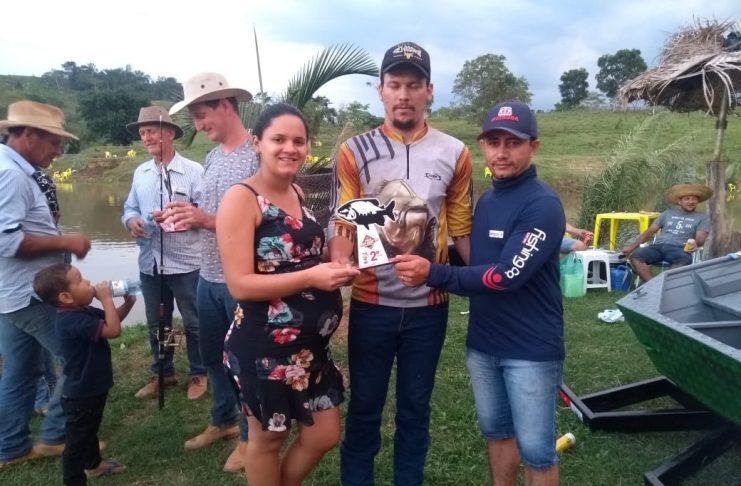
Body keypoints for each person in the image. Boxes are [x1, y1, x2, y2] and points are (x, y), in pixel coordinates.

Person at [394, 100, 565, 486]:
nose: (501, 152)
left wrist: (432, 272)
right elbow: (479, 260)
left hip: (530, 350)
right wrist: (419, 252)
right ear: (483, 146)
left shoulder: (543, 205)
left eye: (513, 143)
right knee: (497, 433)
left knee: (537, 451)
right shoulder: (488, 199)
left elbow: (505, 275)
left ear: (533, 147)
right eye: (493, 142)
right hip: (484, 345)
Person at [328, 41, 473, 485]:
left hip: (430, 308)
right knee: (365, 407)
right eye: (395, 85)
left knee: (415, 408)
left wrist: (487, 284)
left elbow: (461, 228)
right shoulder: (354, 150)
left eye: (413, 85)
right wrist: (338, 266)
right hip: (371, 305)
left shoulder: (455, 152)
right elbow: (343, 223)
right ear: (381, 91)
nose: (404, 95)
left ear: (429, 90)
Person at [216, 103, 359, 486]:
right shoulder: (241, 198)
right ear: (257, 143)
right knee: (268, 440)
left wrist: (337, 263)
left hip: (310, 351)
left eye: (299, 141)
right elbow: (240, 284)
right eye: (278, 139)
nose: (290, 148)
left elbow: (301, 257)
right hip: (264, 349)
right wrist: (313, 276)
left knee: (323, 434)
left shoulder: (296, 190)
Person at [167, 72, 258, 471]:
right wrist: (187, 217)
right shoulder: (212, 157)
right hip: (208, 273)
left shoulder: (257, 154)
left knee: (244, 360)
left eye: (202, 115)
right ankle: (223, 419)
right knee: (212, 357)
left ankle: (250, 436)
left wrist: (205, 219)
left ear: (225, 105)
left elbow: (265, 219)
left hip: (242, 277)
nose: (199, 125)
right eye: (195, 118)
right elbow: (212, 213)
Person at [0, 100, 91, 468]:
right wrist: (66, 241)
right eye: (54, 142)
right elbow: (6, 241)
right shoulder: (11, 175)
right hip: (32, 294)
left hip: (11, 295)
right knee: (80, 358)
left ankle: (10, 447)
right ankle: (55, 436)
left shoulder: (12, 168)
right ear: (28, 135)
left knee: (20, 372)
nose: (57, 151)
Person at [122, 105, 207, 401]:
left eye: (151, 131)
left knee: (194, 322)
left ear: (169, 133)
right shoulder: (141, 172)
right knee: (160, 323)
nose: (146, 137)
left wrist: (183, 216)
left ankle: (199, 372)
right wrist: (132, 221)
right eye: (142, 132)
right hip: (151, 264)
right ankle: (164, 372)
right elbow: (130, 208)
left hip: (187, 264)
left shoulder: (194, 172)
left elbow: (208, 213)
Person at [33, 263, 133, 485]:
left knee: (88, 431)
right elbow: (113, 331)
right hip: (81, 394)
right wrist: (106, 299)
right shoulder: (70, 320)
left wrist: (126, 304)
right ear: (66, 297)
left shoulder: (81, 310)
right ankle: (74, 480)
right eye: (80, 281)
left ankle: (94, 466)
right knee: (76, 442)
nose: (88, 282)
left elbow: (111, 321)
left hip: (91, 388)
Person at [622, 183, 711, 282]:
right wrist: (631, 247)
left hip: (680, 249)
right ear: (679, 201)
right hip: (658, 247)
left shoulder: (702, 217)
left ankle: (664, 286)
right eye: (687, 199)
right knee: (636, 257)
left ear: (698, 201)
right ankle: (653, 285)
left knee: (682, 263)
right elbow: (650, 232)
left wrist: (696, 243)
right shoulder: (667, 213)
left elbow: (700, 238)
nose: (691, 202)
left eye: (694, 199)